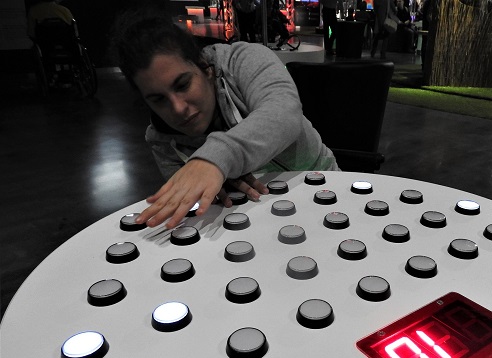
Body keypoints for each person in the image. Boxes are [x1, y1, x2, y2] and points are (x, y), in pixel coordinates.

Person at [113, 11, 338, 229]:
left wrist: (214, 159)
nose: (178, 108)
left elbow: (283, 112)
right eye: (158, 99)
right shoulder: (162, 141)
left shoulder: (243, 59)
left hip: (321, 184)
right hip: (252, 217)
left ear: (205, 67)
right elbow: (200, 209)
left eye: (183, 85)